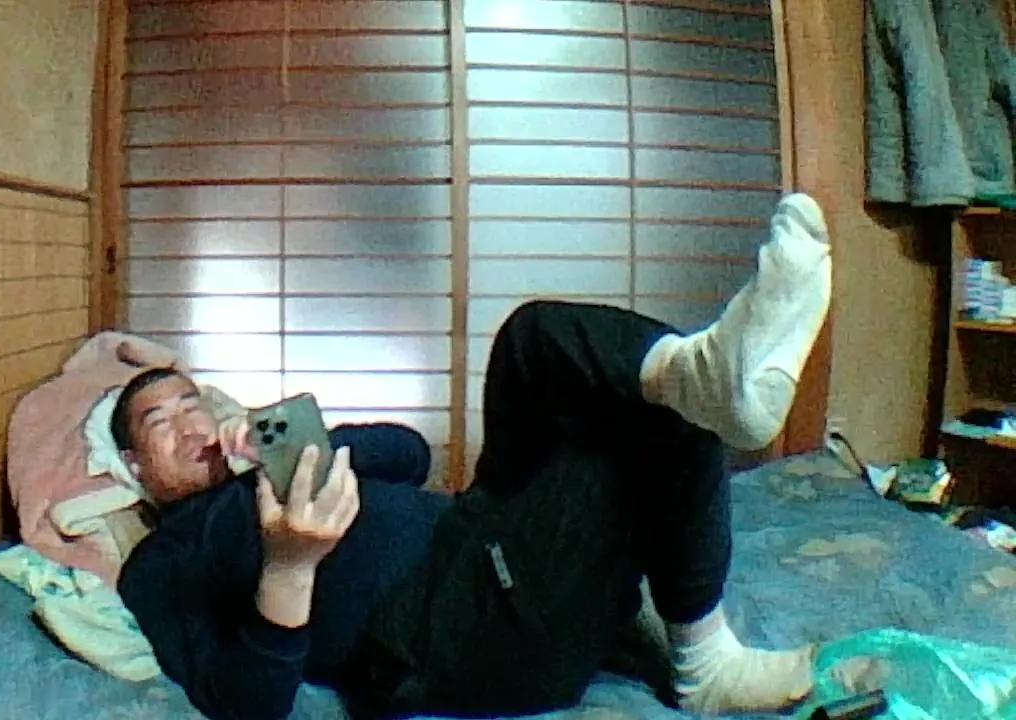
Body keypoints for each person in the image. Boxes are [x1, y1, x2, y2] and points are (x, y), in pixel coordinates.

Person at [114, 192, 833, 720]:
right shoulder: (161, 560)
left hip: (481, 530)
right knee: (649, 426)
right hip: (449, 630)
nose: (189, 424)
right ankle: (705, 664)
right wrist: (289, 567)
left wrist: (299, 444)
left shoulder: (266, 461)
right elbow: (245, 703)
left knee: (532, 340)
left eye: (193, 403)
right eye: (158, 421)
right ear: (134, 464)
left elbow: (408, 455)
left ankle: (704, 377)